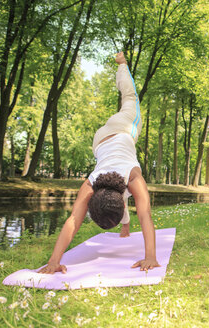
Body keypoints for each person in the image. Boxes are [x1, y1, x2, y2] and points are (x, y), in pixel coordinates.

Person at [38, 52, 159, 274]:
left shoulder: (133, 176)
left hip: (123, 127)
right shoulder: (91, 184)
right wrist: (53, 261)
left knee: (131, 98)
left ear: (123, 204)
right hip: (99, 141)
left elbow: (144, 214)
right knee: (129, 99)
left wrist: (151, 256)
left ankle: (122, 64)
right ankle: (122, 66)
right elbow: (144, 215)